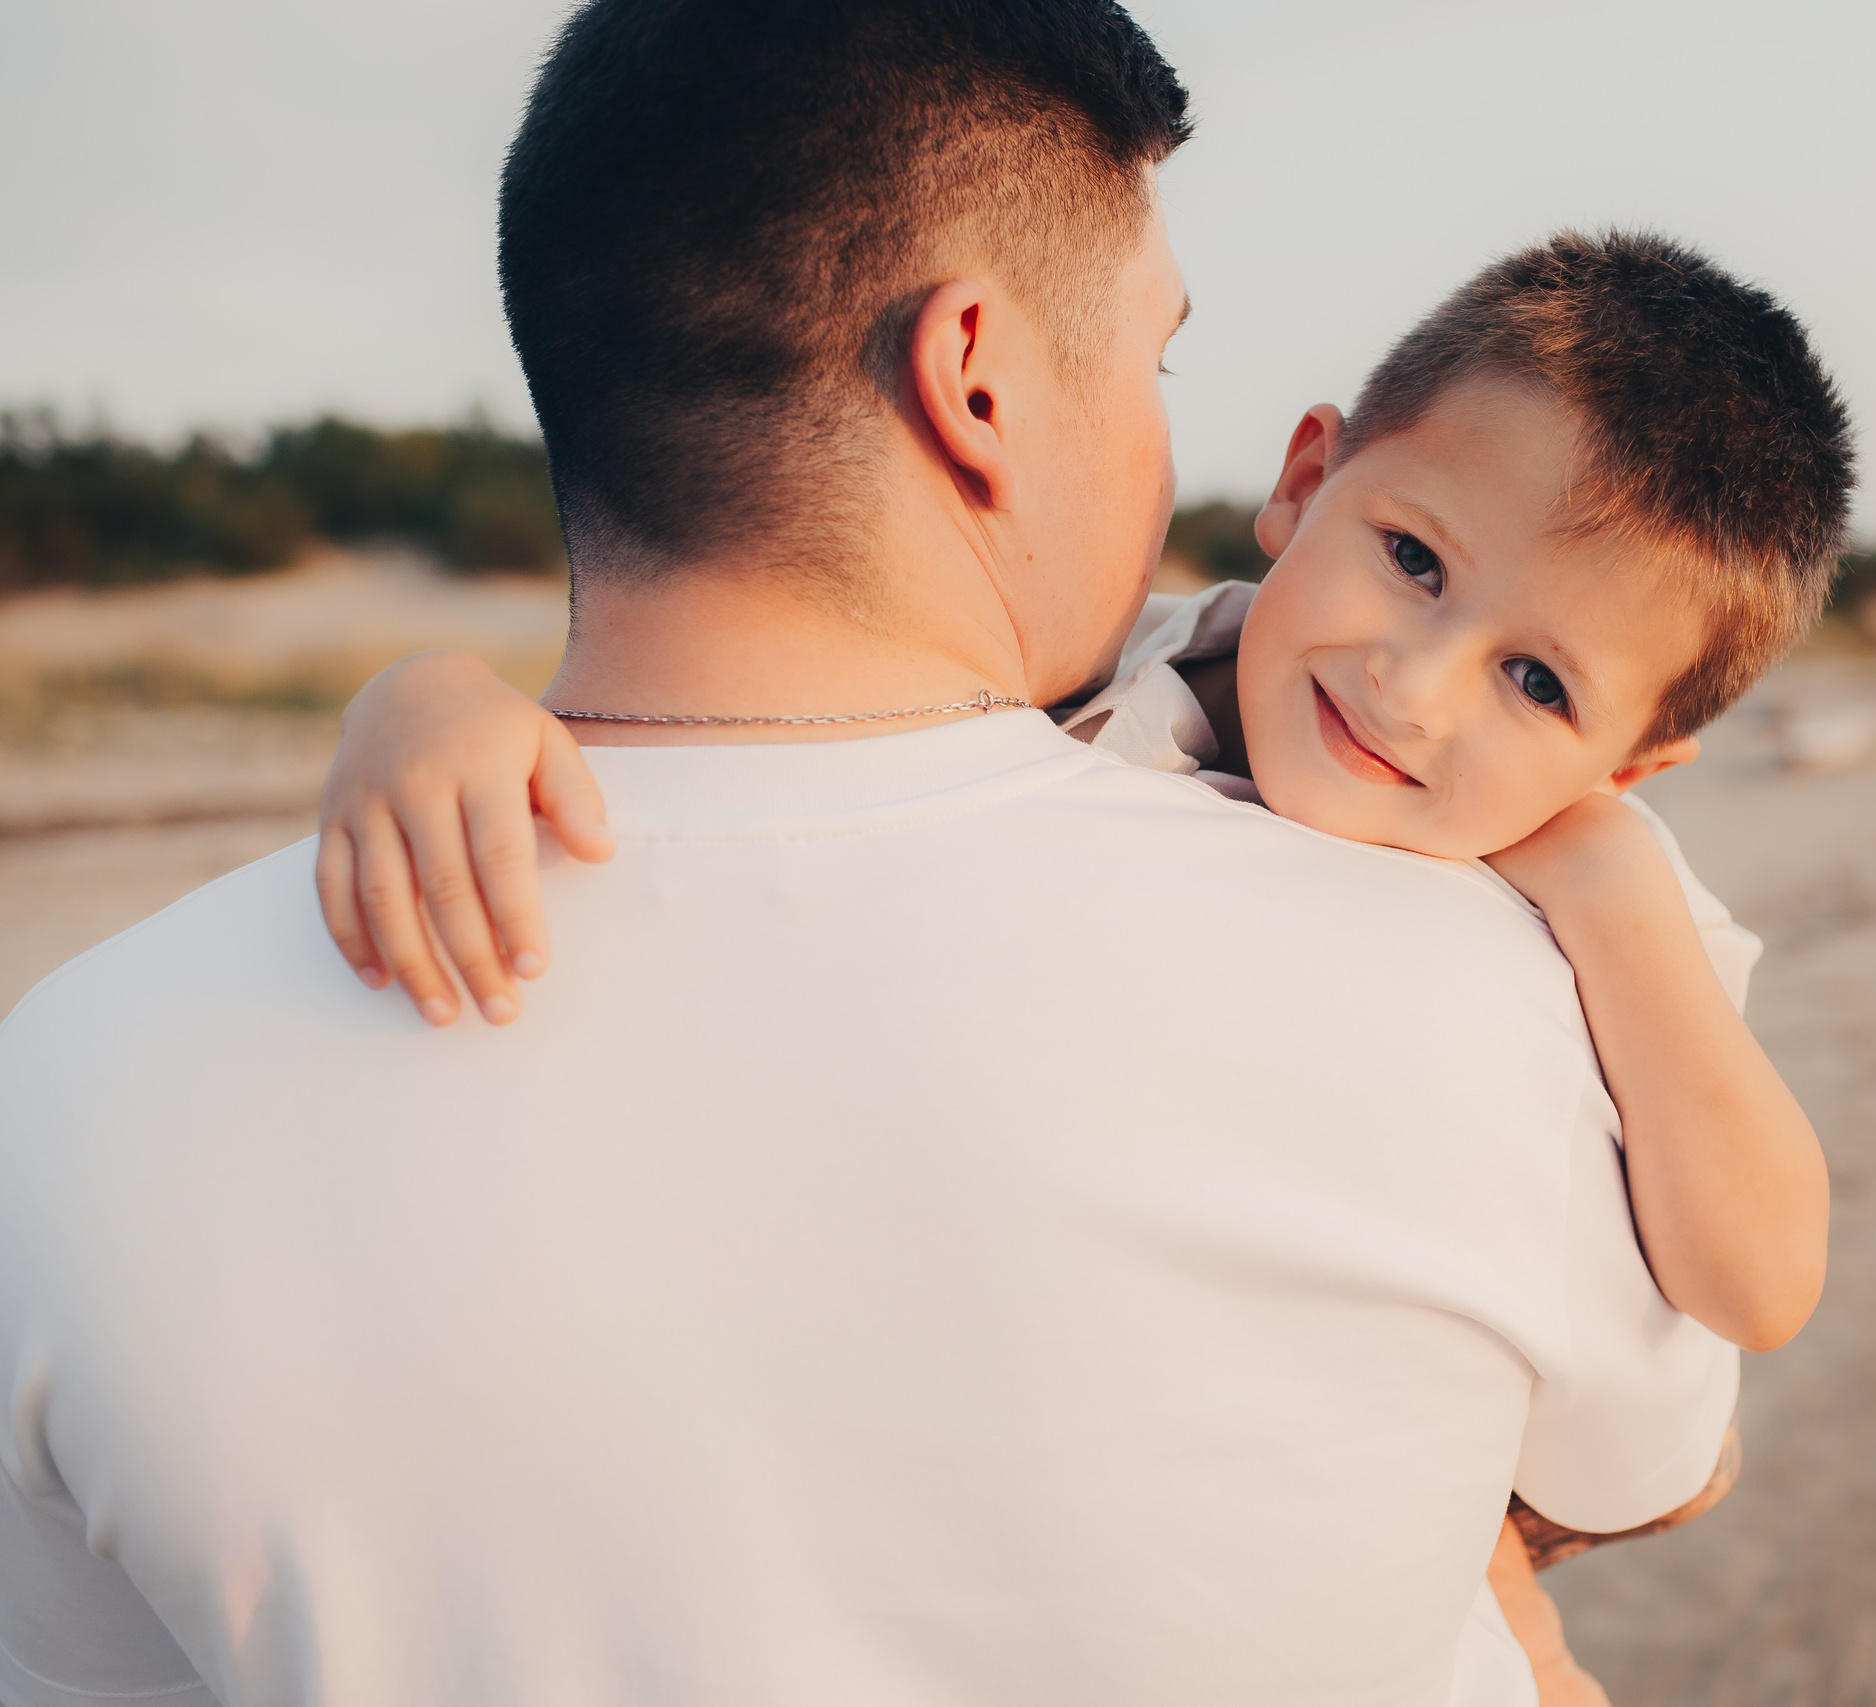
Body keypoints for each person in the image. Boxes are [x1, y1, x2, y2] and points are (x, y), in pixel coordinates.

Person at [0, 8, 1781, 1707]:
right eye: (1156, 360)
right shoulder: (1482, 1018)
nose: (1413, 677)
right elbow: (1649, 1467)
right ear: (979, 383)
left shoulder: (61, 1100)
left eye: (1536, 677)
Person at [313, 230, 1851, 1705]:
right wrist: (428, 691)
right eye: (1412, 559)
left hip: (1446, 1506)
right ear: (1307, 480)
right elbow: (765, 722)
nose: (1414, 682)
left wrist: (1608, 887)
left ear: (1634, 761)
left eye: (1537, 682)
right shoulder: (1099, 669)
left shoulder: (1591, 890)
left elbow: (1762, 1285)